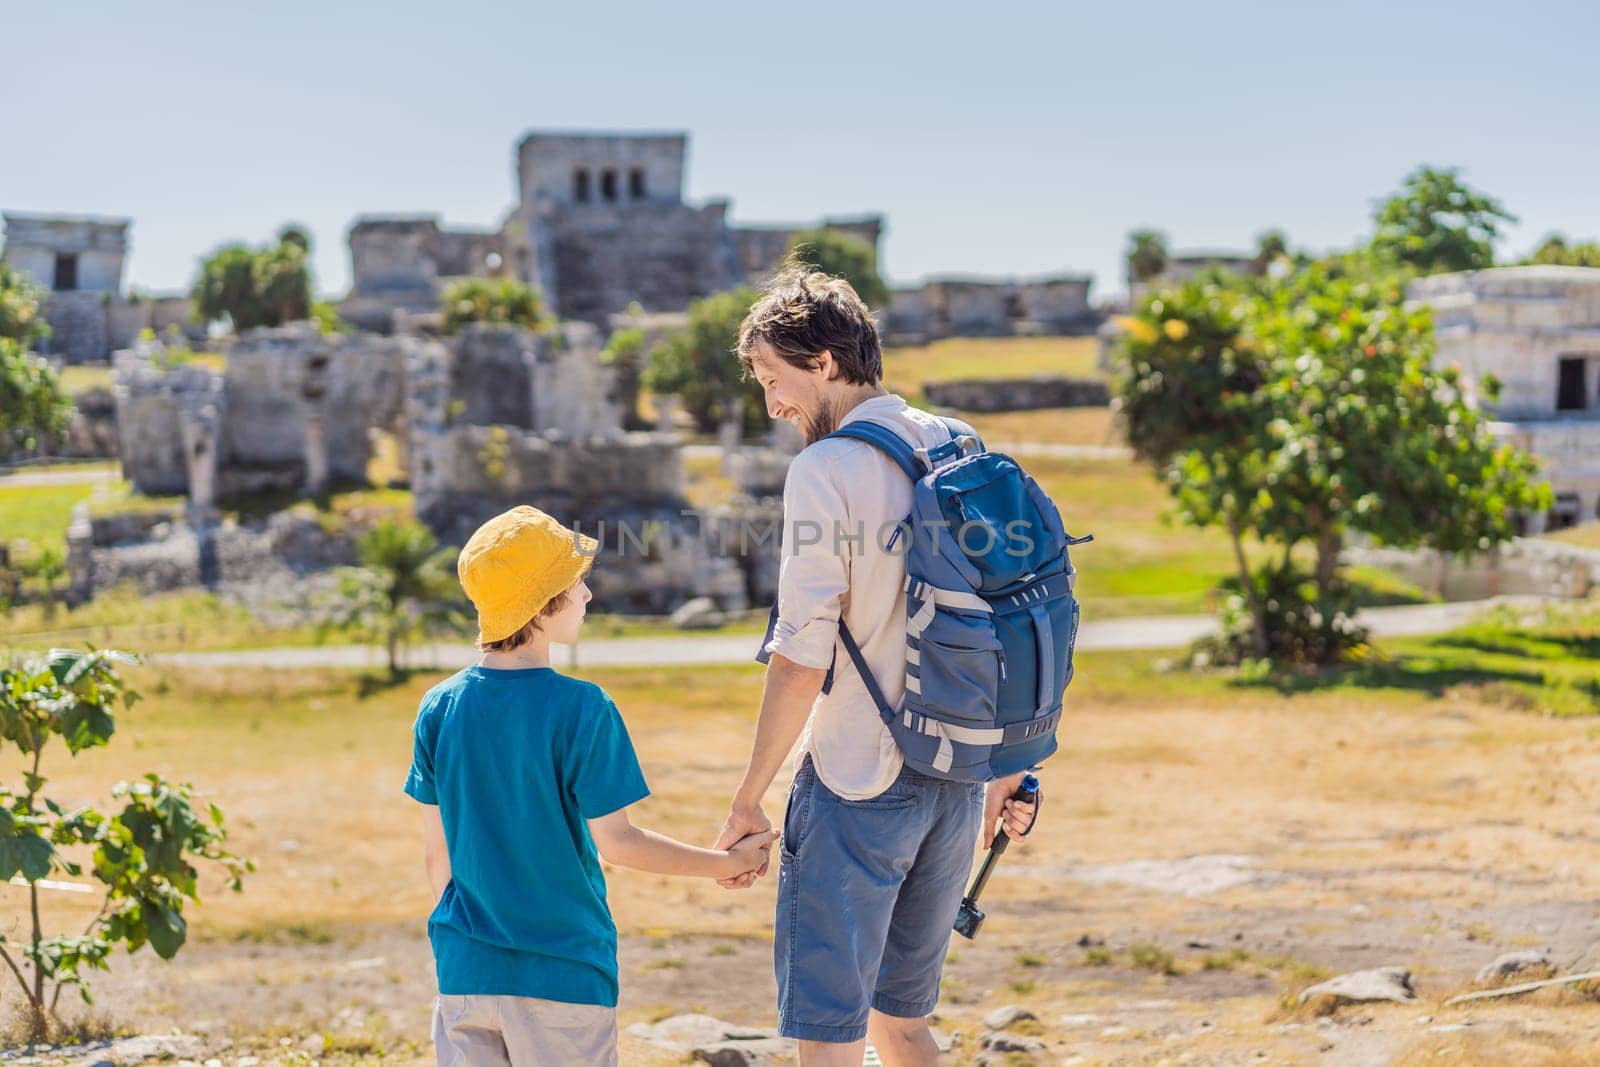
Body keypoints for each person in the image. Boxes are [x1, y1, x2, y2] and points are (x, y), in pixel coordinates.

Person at [712, 268, 1040, 1066]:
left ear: (823, 360)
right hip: (956, 779)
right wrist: (1010, 767)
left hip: (860, 780)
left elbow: (799, 658)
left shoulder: (826, 471)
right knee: (903, 1025)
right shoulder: (959, 442)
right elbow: (1011, 619)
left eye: (774, 379)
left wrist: (749, 797)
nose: (773, 405)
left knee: (827, 1036)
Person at [405, 505, 777, 1067]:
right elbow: (619, 843)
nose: (587, 595)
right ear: (541, 604)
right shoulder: (583, 708)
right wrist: (725, 864)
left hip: (464, 971)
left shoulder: (438, 707)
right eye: (575, 582)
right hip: (564, 972)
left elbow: (440, 859)